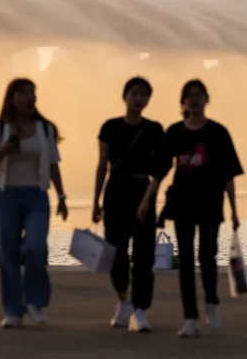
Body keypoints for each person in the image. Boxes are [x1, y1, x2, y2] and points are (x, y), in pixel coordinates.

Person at [138, 79, 243, 338]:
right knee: (185, 260)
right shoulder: (175, 132)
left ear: (207, 99)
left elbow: (228, 175)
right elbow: (159, 172)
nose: (195, 100)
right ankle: (190, 317)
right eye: (190, 96)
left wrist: (235, 210)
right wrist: (146, 200)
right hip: (182, 203)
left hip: (210, 201)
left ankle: (211, 303)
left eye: (199, 95)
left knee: (207, 255)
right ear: (183, 102)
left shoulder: (218, 133)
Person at [0, 78, 69, 329]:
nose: (31, 97)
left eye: (33, 93)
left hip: (36, 196)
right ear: (13, 98)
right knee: (8, 252)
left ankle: (36, 301)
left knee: (35, 247)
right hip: (6, 196)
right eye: (24, 93)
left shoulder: (45, 129)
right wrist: (4, 151)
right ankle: (13, 310)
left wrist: (62, 197)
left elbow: (53, 164)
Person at [93, 77, 164, 333]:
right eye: (134, 93)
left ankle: (140, 311)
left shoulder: (155, 130)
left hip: (143, 191)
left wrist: (149, 198)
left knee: (144, 256)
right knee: (116, 253)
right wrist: (96, 202)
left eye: (144, 95)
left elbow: (160, 169)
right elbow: (102, 165)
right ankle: (124, 300)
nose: (138, 99)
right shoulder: (110, 128)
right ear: (125, 96)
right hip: (116, 191)